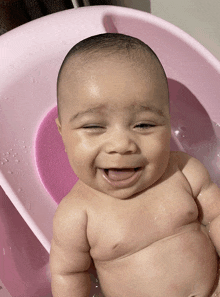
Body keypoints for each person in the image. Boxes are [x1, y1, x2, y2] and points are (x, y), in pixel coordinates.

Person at [49, 33, 220, 297]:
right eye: (94, 126)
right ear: (62, 132)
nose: (122, 144)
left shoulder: (185, 171)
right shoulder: (77, 215)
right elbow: (68, 274)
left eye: (144, 124)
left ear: (168, 124)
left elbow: (217, 217)